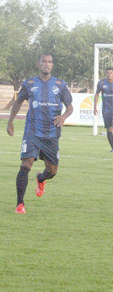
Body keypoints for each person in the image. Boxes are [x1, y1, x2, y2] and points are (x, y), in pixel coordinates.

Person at [6, 54, 74, 214]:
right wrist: (10, 121)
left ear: (52, 65)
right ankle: (20, 204)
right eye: (44, 61)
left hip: (52, 133)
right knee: (26, 163)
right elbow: (18, 102)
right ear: (38, 64)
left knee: (52, 171)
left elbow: (70, 106)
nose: (46, 64)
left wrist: (64, 117)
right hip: (33, 131)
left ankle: (41, 178)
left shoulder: (60, 84)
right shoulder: (29, 83)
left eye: (49, 62)